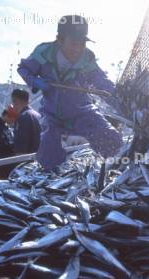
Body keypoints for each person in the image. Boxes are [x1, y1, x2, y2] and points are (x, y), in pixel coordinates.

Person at [17, 14, 123, 171]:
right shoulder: (43, 53)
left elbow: (101, 82)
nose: (78, 49)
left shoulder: (87, 57)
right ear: (59, 40)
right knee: (48, 157)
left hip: (84, 112)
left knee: (113, 142)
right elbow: (23, 68)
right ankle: (50, 178)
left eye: (82, 44)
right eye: (73, 43)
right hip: (52, 115)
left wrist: (120, 101)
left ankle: (118, 170)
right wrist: (35, 81)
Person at [11, 88, 42, 154]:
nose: (13, 106)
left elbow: (21, 147)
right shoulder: (38, 115)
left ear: (15, 101)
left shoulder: (22, 117)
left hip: (28, 160)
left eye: (13, 102)